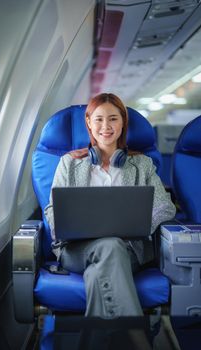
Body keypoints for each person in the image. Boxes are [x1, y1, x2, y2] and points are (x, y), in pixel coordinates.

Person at [44, 93, 176, 319]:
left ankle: (102, 338)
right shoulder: (69, 163)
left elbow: (165, 207)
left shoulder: (142, 164)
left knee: (105, 260)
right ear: (88, 123)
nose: (106, 126)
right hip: (77, 249)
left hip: (128, 250)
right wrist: (66, 227)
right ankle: (134, 338)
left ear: (123, 122)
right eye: (99, 119)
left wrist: (140, 224)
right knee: (110, 247)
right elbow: (52, 208)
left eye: (113, 118)